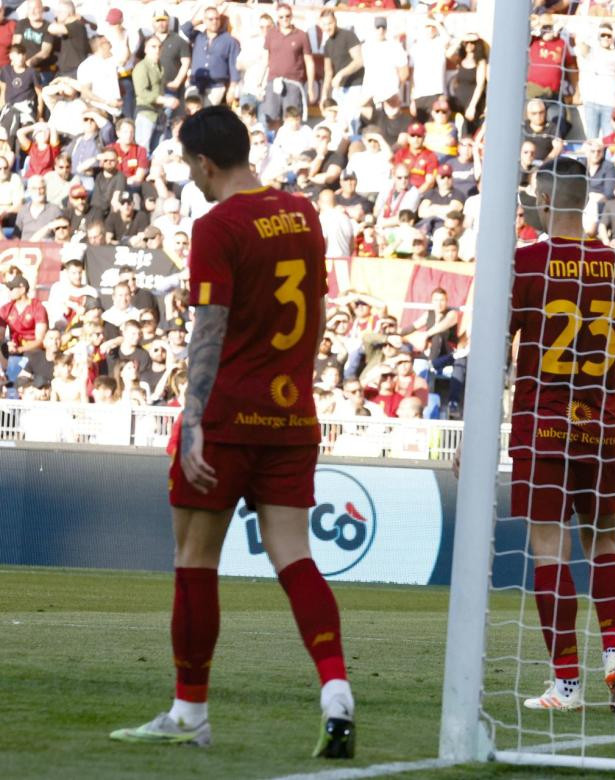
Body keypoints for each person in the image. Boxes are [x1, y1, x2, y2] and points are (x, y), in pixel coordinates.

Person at [109, 106, 355, 759]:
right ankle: (336, 690)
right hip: (291, 414)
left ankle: (189, 709)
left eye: (190, 166)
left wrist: (191, 421)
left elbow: (208, 330)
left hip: (227, 416)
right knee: (295, 557)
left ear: (204, 164)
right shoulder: (303, 214)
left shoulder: (216, 226)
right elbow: (319, 315)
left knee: (195, 560)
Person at [456, 156, 615, 713]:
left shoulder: (523, 263)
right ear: (584, 202)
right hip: (604, 422)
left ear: (541, 204)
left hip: (542, 424)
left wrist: (475, 431)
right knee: (604, 540)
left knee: (549, 553)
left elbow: (493, 353)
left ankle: (566, 685)